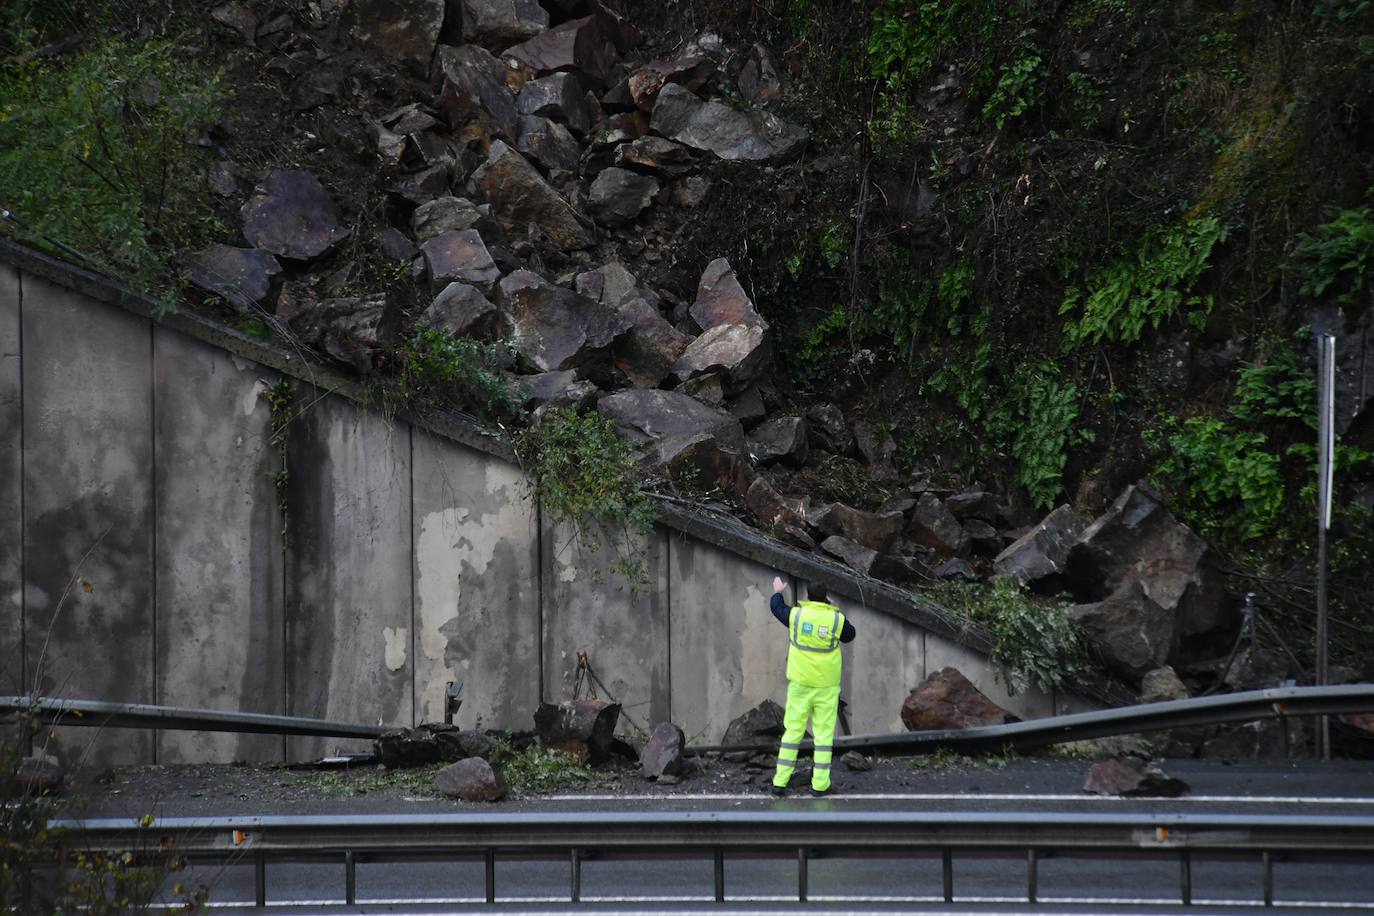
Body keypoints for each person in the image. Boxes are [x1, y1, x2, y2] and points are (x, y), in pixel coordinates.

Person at [767, 574, 856, 797]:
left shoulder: (797, 616)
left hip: (800, 684)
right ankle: (820, 785)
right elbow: (850, 634)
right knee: (824, 737)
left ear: (807, 596)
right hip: (826, 687)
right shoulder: (836, 620)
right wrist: (835, 610)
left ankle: (780, 782)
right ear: (826, 598)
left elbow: (777, 608)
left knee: (793, 732)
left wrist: (778, 590)